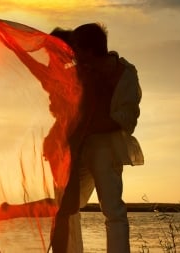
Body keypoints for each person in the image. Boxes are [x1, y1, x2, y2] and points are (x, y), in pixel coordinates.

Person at [51, 23, 144, 253]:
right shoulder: (82, 69)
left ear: (90, 51)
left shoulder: (125, 75)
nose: (74, 55)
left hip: (106, 145)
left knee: (113, 209)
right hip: (80, 146)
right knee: (68, 206)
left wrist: (90, 126)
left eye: (78, 50)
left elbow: (127, 119)